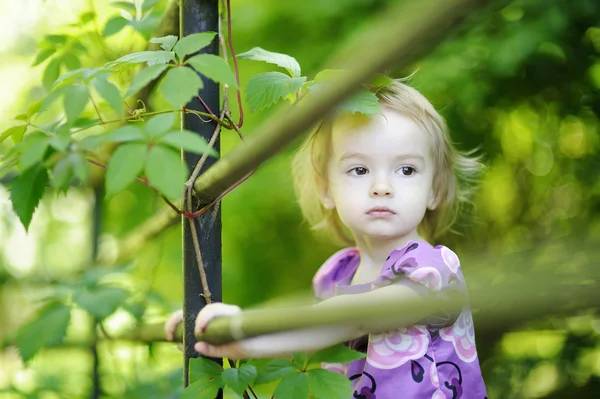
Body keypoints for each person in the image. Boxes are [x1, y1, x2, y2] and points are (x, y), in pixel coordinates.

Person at [166, 79, 487, 398]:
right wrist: (211, 330)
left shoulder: (433, 269)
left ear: (436, 189)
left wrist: (245, 330)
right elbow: (307, 340)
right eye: (359, 170)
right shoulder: (336, 274)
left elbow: (354, 318)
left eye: (406, 170)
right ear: (326, 190)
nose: (382, 186)